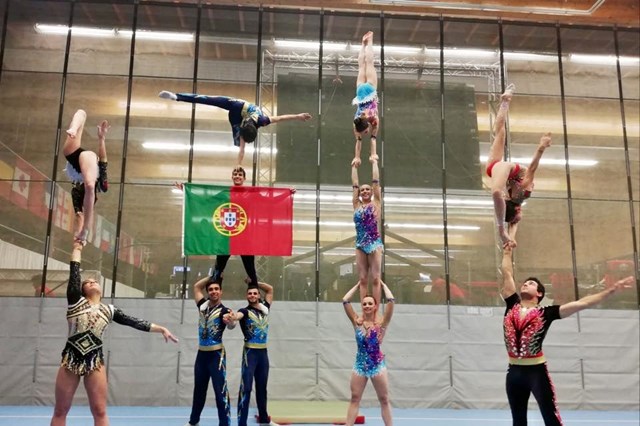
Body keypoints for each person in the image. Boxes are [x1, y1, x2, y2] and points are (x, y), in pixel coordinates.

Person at [500, 245, 635, 426]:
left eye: (531, 283)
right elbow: (507, 272)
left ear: (539, 294)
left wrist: (611, 290)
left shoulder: (546, 313)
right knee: (518, 421)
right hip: (514, 372)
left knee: (551, 418)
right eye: (525, 282)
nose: (525, 283)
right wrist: (507, 251)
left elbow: (582, 303)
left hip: (536, 373)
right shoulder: (512, 304)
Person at [50, 239, 178, 426]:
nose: (92, 282)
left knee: (100, 411)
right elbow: (74, 273)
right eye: (88, 282)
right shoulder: (75, 301)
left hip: (95, 360)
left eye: (95, 281)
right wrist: (77, 249)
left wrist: (161, 329)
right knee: (61, 410)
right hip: (71, 358)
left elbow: (135, 322)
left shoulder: (109, 310)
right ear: (83, 290)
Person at [158, 91, 311, 166]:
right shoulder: (263, 120)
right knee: (238, 143)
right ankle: (177, 97)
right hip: (237, 110)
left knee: (207, 99)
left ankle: (178, 97)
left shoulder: (262, 121)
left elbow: (282, 118)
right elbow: (282, 118)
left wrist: (298, 116)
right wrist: (298, 116)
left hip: (236, 107)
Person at [485, 84, 551, 247]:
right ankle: (505, 100)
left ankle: (505, 101)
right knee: (500, 132)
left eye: (516, 217)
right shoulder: (516, 201)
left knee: (495, 192)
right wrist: (511, 238)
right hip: (495, 170)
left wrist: (541, 147)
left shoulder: (523, 194)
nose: (517, 220)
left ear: (517, 210)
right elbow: (513, 223)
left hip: (507, 169)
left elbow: (532, 169)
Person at [184, 275, 236, 426]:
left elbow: (232, 325)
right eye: (211, 289)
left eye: (216, 289)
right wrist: (213, 276)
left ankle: (224, 423)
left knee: (220, 391)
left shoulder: (225, 311)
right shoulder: (202, 306)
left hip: (216, 355)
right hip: (201, 355)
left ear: (221, 292)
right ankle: (193, 422)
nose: (214, 292)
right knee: (199, 390)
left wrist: (231, 321)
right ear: (208, 292)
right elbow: (196, 287)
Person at [342, 281, 395, 426]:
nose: (367, 306)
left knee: (384, 399)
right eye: (364, 304)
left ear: (375, 306)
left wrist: (383, 286)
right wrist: (358, 285)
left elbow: (391, 301)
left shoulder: (382, 323)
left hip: (376, 364)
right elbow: (345, 301)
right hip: (360, 365)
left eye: (370, 303)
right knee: (355, 398)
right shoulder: (356, 321)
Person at [232, 281, 278, 426]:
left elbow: (270, 289)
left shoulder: (265, 308)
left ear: (258, 295)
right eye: (250, 293)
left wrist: (254, 282)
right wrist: (233, 316)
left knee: (262, 387)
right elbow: (238, 315)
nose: (252, 295)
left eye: (255, 293)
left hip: (263, 354)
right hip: (250, 353)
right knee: (246, 387)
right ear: (246, 296)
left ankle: (264, 419)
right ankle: (242, 422)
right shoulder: (244, 311)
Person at [63, 110, 110, 244]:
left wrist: (81, 232)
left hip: (74, 164)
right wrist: (101, 139)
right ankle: (73, 129)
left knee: (81, 113)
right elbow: (103, 159)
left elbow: (80, 215)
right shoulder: (101, 185)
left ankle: (74, 129)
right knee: (89, 185)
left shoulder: (76, 192)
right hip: (87, 160)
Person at [352, 157, 383, 304]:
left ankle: (375, 309)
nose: (364, 191)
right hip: (360, 244)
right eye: (362, 190)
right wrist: (354, 167)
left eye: (367, 189)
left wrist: (374, 163)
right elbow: (354, 185)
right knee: (363, 279)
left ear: (371, 192)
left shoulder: (376, 202)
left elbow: (376, 181)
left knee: (376, 278)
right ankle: (365, 308)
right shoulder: (356, 205)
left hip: (374, 243)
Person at [352, 31, 379, 168]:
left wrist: (373, 154)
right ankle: (363, 44)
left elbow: (373, 138)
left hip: (370, 90)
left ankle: (370, 41)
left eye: (365, 131)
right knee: (361, 66)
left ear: (367, 125)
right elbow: (359, 141)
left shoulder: (373, 119)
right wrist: (356, 157)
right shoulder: (356, 123)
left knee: (369, 63)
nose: (365, 133)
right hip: (360, 93)